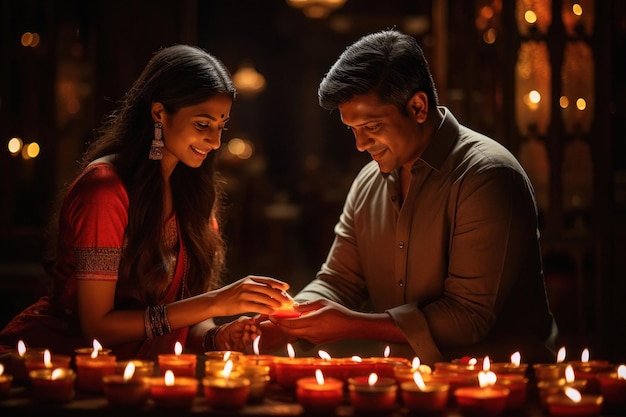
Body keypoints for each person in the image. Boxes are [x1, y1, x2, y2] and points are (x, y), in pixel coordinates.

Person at [262, 30, 558, 365]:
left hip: (506, 386)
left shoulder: (486, 176)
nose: (360, 144)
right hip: (411, 382)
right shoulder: (368, 182)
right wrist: (285, 321)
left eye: (372, 127)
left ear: (417, 107)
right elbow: (340, 280)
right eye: (353, 130)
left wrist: (352, 325)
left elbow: (468, 317)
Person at [0, 44, 292, 360]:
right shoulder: (105, 189)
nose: (215, 141)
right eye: (202, 124)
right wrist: (216, 302)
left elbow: (183, 316)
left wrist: (218, 335)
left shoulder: (193, 196)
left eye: (221, 126)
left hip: (135, 377)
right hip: (54, 368)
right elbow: (98, 329)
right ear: (159, 113)